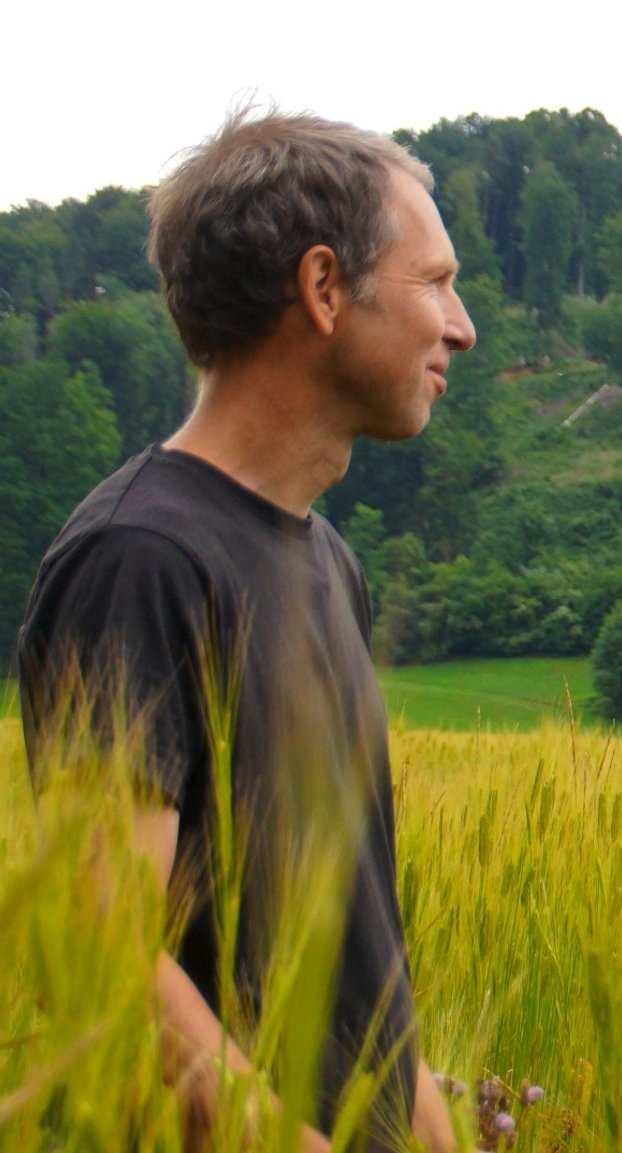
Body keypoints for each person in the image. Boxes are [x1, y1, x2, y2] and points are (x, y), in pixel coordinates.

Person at [14, 108, 474, 1150]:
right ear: (322, 290)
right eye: (434, 281)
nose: (461, 326)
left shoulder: (326, 564)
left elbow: (357, 949)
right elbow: (99, 948)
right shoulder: (138, 562)